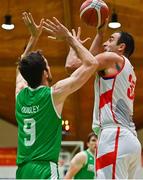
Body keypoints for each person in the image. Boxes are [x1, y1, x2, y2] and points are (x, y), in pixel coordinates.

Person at [15, 12, 99, 179]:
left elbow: (21, 68)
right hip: (45, 168)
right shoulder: (54, 94)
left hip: (23, 171)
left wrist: (33, 37)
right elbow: (92, 63)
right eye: (48, 64)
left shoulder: (20, 95)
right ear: (45, 73)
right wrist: (69, 38)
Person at [61, 23, 142, 178]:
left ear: (121, 47)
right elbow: (81, 65)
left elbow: (73, 67)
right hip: (130, 139)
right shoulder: (128, 69)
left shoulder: (113, 58)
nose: (105, 43)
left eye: (110, 39)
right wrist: (97, 35)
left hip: (114, 136)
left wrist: (71, 40)